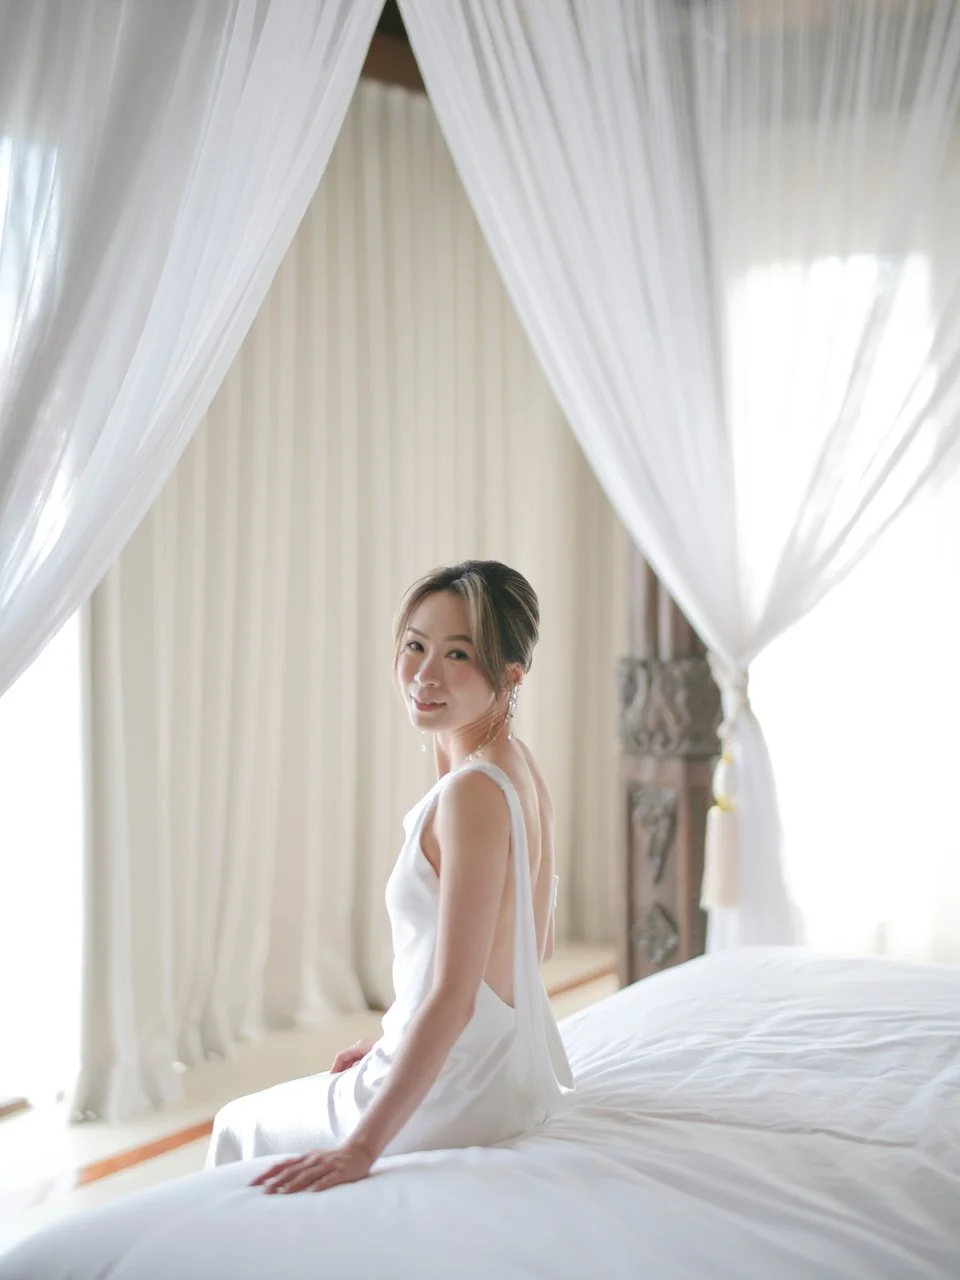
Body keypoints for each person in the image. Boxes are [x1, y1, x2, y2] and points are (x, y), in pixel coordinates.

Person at [206, 560, 574, 1195]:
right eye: (415, 645)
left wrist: (361, 1148)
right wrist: (392, 1039)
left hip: (457, 1095)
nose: (425, 675)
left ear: (511, 675)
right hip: (499, 1081)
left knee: (237, 1122)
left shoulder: (471, 795)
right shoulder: (519, 768)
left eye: (458, 654)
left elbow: (457, 997)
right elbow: (526, 949)